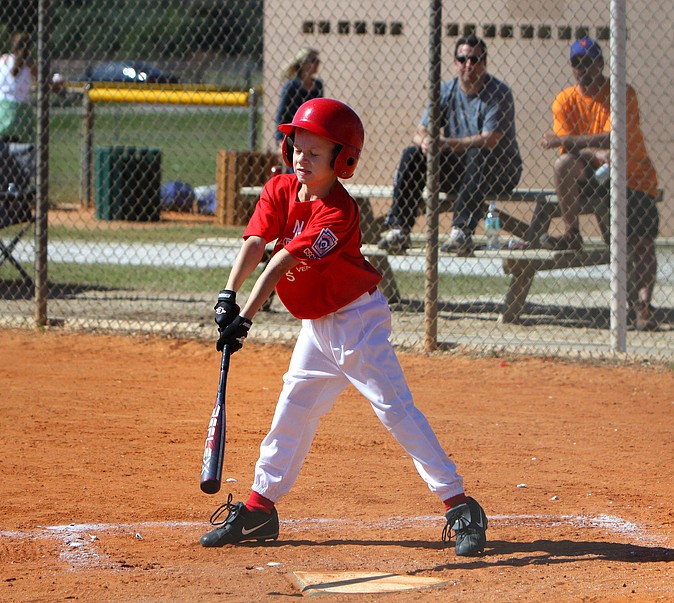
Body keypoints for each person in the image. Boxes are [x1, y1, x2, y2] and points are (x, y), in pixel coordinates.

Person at [201, 98, 488, 557]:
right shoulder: (279, 189)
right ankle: (260, 508)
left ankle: (461, 506)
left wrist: (245, 321)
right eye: (298, 146)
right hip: (317, 327)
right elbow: (256, 242)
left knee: (394, 411)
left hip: (356, 323)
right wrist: (226, 296)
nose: (302, 158)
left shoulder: (339, 212)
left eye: (316, 152)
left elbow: (279, 263)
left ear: (343, 160)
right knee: (293, 409)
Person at [521, 37, 660, 330]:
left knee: (641, 243)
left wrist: (568, 141)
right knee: (563, 165)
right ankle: (573, 233)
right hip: (593, 177)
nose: (583, 69)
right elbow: (570, 152)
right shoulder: (564, 100)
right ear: (573, 68)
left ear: (600, 64)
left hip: (632, 176)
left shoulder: (622, 94)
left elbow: (614, 138)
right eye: (577, 63)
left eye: (589, 62)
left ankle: (643, 307)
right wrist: (592, 149)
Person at [377, 35, 522, 256]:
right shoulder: (445, 90)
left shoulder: (498, 93)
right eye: (463, 59)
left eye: (475, 59)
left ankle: (461, 232)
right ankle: (399, 229)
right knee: (412, 154)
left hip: (498, 170)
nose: (468, 65)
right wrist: (427, 142)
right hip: (459, 170)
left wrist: (445, 143)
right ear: (455, 63)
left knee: (477, 153)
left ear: (484, 63)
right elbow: (420, 131)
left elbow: (490, 139)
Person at [0, 31, 36, 143]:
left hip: (0, 111)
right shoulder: (31, 65)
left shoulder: (3, 59)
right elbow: (45, 80)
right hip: (20, 114)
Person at [273, 47, 323, 144]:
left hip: (311, 135)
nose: (317, 64)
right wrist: (280, 140)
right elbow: (281, 115)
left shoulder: (318, 85)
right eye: (313, 60)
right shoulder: (291, 86)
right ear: (303, 63)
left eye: (318, 61)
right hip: (292, 134)